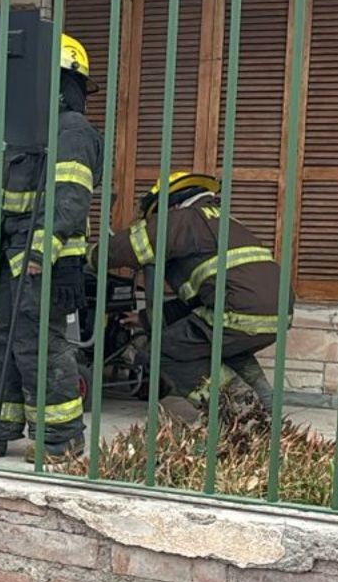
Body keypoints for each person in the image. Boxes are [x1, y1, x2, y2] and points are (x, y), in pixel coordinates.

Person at [0, 33, 103, 462]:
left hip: (46, 263)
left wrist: (38, 251)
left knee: (39, 347)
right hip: (13, 262)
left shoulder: (72, 132)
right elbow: (8, 203)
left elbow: (69, 199)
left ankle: (61, 439)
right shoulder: (27, 136)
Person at [90, 171, 289, 410]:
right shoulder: (225, 222)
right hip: (277, 312)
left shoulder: (183, 219)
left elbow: (127, 248)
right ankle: (269, 409)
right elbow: (197, 302)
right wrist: (146, 318)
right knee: (227, 351)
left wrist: (87, 256)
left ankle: (234, 409)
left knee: (160, 352)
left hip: (236, 310)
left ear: (169, 205)